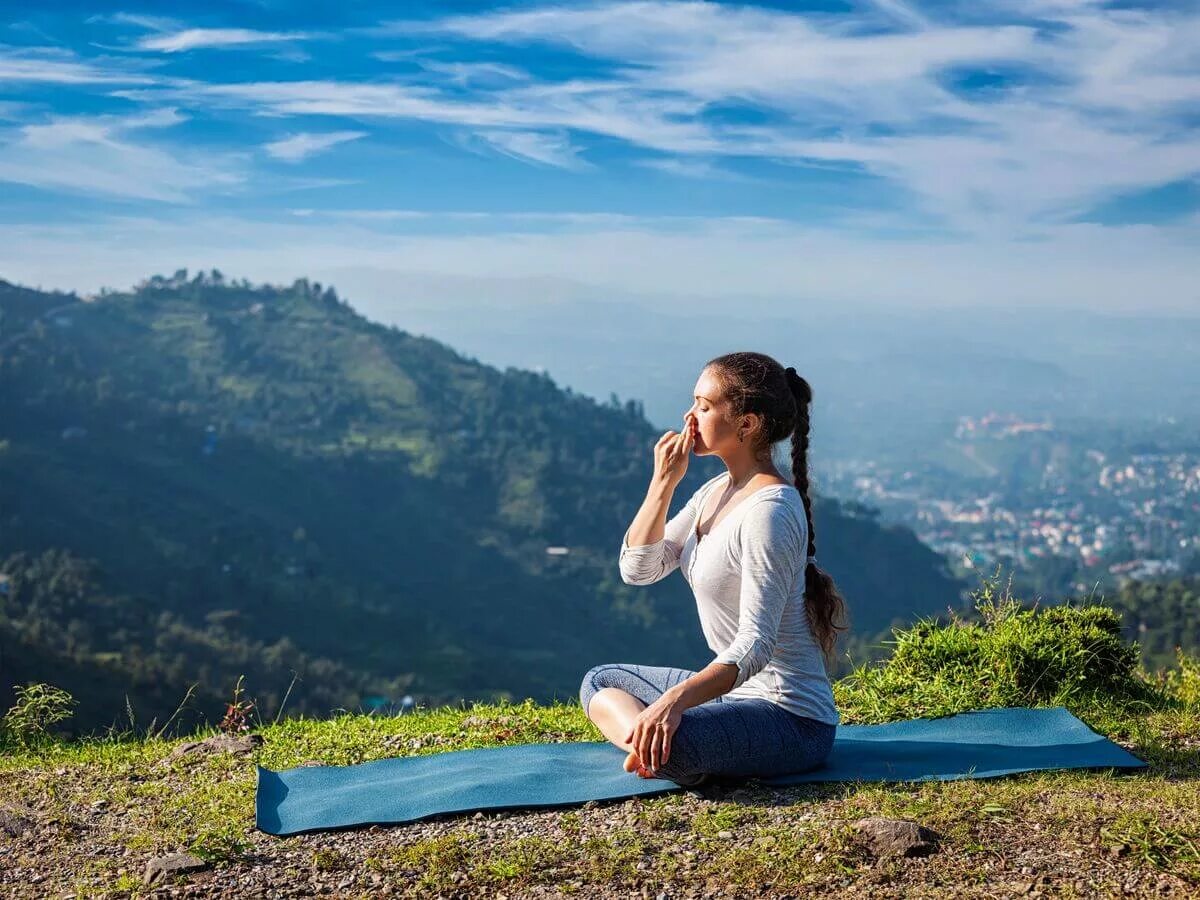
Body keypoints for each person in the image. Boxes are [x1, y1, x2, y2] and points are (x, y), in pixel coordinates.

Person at [579, 352, 849, 787]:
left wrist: (674, 702)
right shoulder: (714, 492)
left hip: (791, 721)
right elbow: (639, 569)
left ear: (747, 424)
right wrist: (662, 484)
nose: (690, 416)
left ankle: (658, 748)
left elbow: (755, 646)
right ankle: (651, 748)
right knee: (601, 681)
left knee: (677, 735)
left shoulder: (770, 513)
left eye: (704, 406)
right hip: (735, 698)